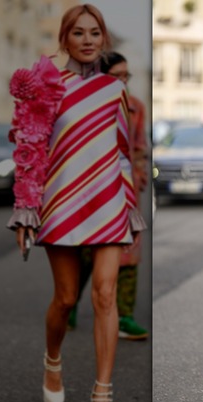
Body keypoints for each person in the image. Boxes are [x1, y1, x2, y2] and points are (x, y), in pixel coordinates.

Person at [6, 5, 146, 402]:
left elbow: (122, 150)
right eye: (79, 33)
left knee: (105, 296)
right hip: (61, 201)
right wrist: (26, 210)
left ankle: (102, 395)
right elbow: (30, 152)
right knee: (66, 300)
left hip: (107, 202)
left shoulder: (113, 89)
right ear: (64, 38)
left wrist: (129, 206)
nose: (88, 40)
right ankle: (53, 363)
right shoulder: (46, 88)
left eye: (95, 33)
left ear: (103, 40)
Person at [69, 51, 150, 341]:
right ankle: (70, 305)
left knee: (129, 253)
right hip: (92, 192)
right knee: (87, 254)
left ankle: (125, 316)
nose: (124, 82)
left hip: (125, 192)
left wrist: (138, 176)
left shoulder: (136, 107)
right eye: (117, 76)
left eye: (127, 76)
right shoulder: (86, 104)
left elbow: (140, 148)